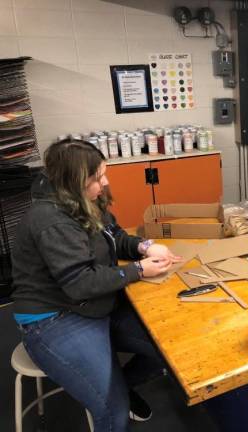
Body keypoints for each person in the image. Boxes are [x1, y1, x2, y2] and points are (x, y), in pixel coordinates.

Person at [11, 139, 182, 432]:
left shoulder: (86, 200)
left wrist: (144, 247)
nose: (105, 182)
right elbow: (81, 283)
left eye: (103, 173)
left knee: (172, 349)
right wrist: (138, 270)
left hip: (95, 303)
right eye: (97, 177)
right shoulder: (51, 220)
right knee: (112, 411)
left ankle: (120, 385)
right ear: (74, 181)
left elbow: (112, 237)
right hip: (55, 317)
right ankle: (115, 395)